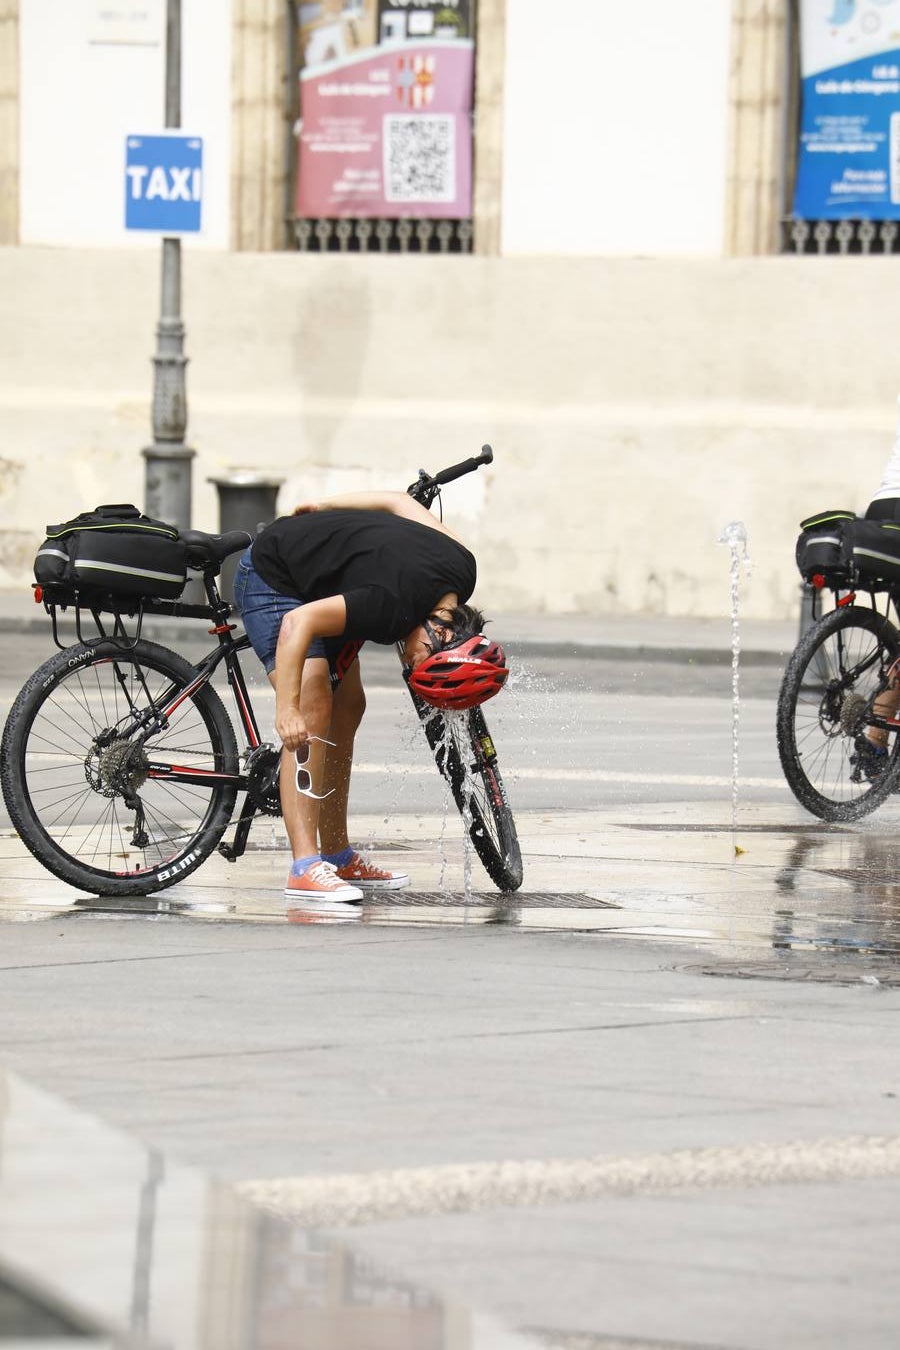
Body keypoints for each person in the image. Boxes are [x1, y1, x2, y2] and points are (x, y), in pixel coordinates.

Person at [232, 490, 508, 908]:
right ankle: (304, 866)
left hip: (322, 577)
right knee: (315, 699)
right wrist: (288, 709)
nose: (410, 665)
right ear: (444, 632)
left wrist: (327, 505)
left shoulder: (460, 568)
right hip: (275, 577)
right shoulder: (390, 605)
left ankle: (337, 856)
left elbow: (398, 502)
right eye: (420, 662)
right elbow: (297, 622)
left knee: (349, 705)